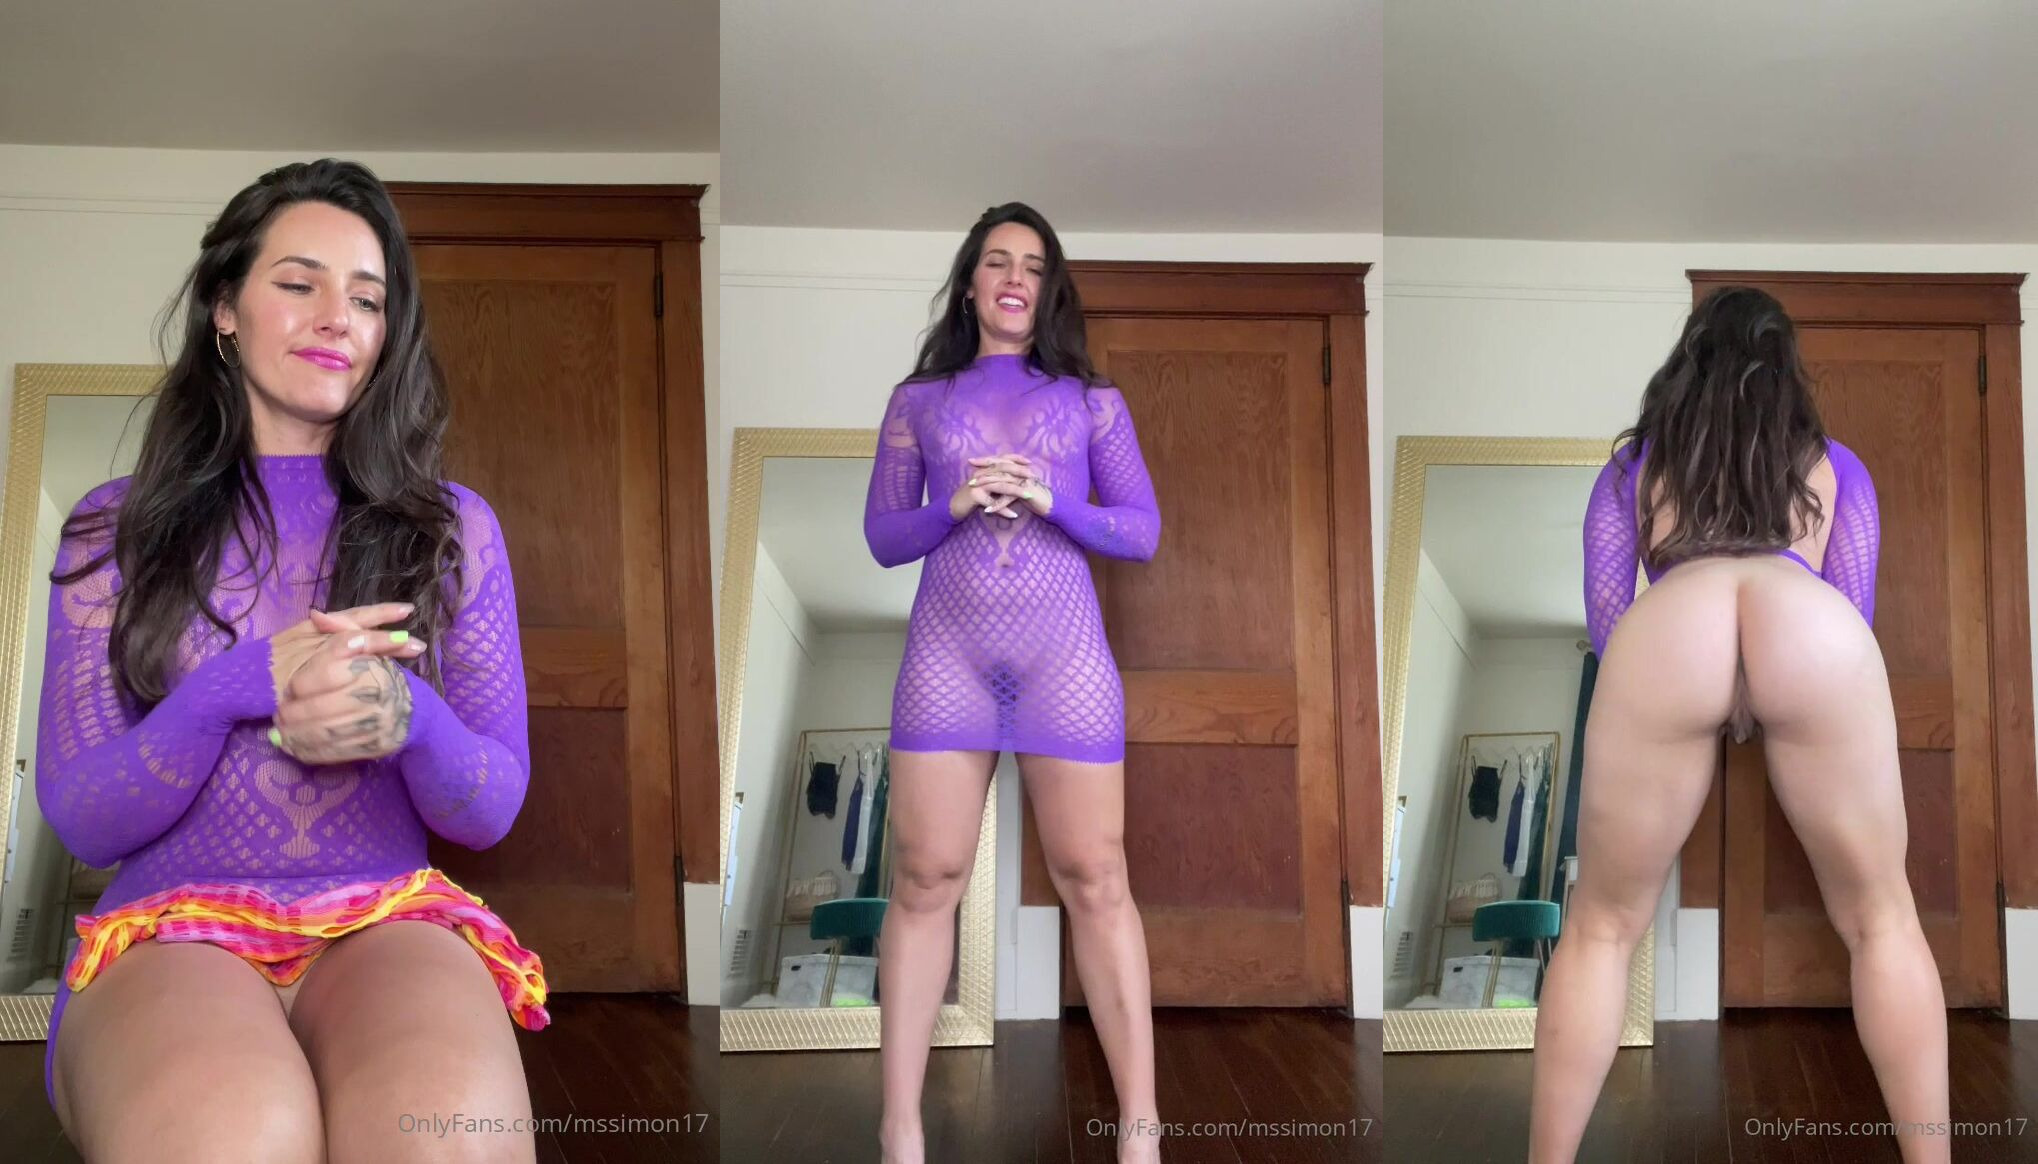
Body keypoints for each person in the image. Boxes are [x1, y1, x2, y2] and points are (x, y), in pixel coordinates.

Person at [38, 158, 545, 1163]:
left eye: (368, 298)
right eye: (299, 282)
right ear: (225, 308)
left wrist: (408, 719)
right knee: (236, 1136)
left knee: (445, 1139)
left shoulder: (454, 529)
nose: (337, 317)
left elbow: (489, 808)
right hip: (170, 928)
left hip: (387, 918)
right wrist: (234, 687)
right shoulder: (114, 527)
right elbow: (85, 817)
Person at [1529, 286, 1946, 1163]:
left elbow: (1608, 617)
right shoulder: (1836, 463)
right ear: (1785, 372)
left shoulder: (1635, 466)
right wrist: (1771, 682)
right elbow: (1854, 608)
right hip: (1810, 625)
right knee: (1883, 919)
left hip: (1670, 627)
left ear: (1687, 366)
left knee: (1600, 927)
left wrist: (1678, 686)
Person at [862, 202, 1163, 1164]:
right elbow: (883, 538)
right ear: (970, 284)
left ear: (1049, 291)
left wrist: (1048, 496)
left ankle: (1141, 1132)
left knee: (1097, 878)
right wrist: (953, 502)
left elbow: (1142, 531)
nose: (1015, 278)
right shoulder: (918, 400)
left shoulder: (1092, 402)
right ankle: (901, 1130)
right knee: (924, 878)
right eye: (997, 261)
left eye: (1034, 266)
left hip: (1064, 662)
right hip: (945, 660)